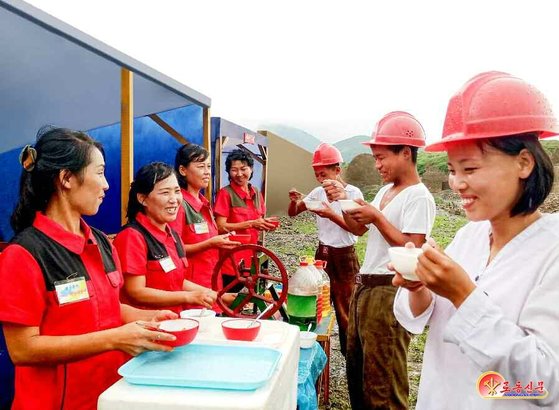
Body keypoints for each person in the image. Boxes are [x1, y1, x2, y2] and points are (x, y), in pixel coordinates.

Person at [393, 72, 559, 409]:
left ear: (523, 162)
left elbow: (544, 382)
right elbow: (430, 317)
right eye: (453, 170)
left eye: (469, 169)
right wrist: (419, 286)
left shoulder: (552, 251)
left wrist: (463, 294)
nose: (456, 183)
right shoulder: (469, 236)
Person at [0, 127, 178, 410]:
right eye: (99, 172)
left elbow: (108, 308)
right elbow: (23, 349)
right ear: (67, 178)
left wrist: (152, 317)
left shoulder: (102, 242)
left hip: (107, 397)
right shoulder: (23, 254)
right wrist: (114, 339)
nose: (106, 184)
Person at [326, 112, 436, 409]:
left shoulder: (419, 197)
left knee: (384, 381)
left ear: (405, 152)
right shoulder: (387, 191)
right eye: (374, 158)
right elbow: (359, 229)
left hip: (391, 290)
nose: (377, 165)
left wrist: (376, 216)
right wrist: (343, 203)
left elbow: (412, 247)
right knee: (359, 370)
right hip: (366, 289)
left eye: (382, 157)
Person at [288, 142, 363, 356]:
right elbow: (294, 212)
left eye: (324, 174)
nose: (321, 180)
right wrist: (295, 201)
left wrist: (331, 214)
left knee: (345, 309)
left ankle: (351, 357)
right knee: (316, 306)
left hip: (345, 256)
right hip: (322, 255)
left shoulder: (352, 193)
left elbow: (357, 230)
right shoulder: (318, 192)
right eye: (317, 175)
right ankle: (315, 353)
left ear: (337, 170)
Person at [113, 162, 218, 315]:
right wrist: (188, 297)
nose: (174, 199)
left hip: (174, 323)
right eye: (165, 193)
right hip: (146, 328)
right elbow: (136, 291)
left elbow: (177, 282)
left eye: (176, 191)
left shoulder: (172, 235)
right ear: (142, 198)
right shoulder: (132, 237)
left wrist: (217, 295)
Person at [170, 144, 239, 291]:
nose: (207, 172)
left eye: (209, 166)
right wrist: (210, 244)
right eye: (201, 167)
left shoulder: (205, 203)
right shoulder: (179, 204)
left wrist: (221, 240)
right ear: (183, 170)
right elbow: (172, 250)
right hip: (192, 287)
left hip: (212, 281)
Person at [213, 149, 278, 286]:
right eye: (234, 170)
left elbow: (259, 221)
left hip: (251, 256)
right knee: (232, 298)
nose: (239, 174)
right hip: (231, 259)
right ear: (228, 172)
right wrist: (251, 224)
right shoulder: (225, 194)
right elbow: (220, 226)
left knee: (247, 298)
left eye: (243, 169)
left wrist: (267, 225)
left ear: (251, 169)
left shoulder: (256, 192)